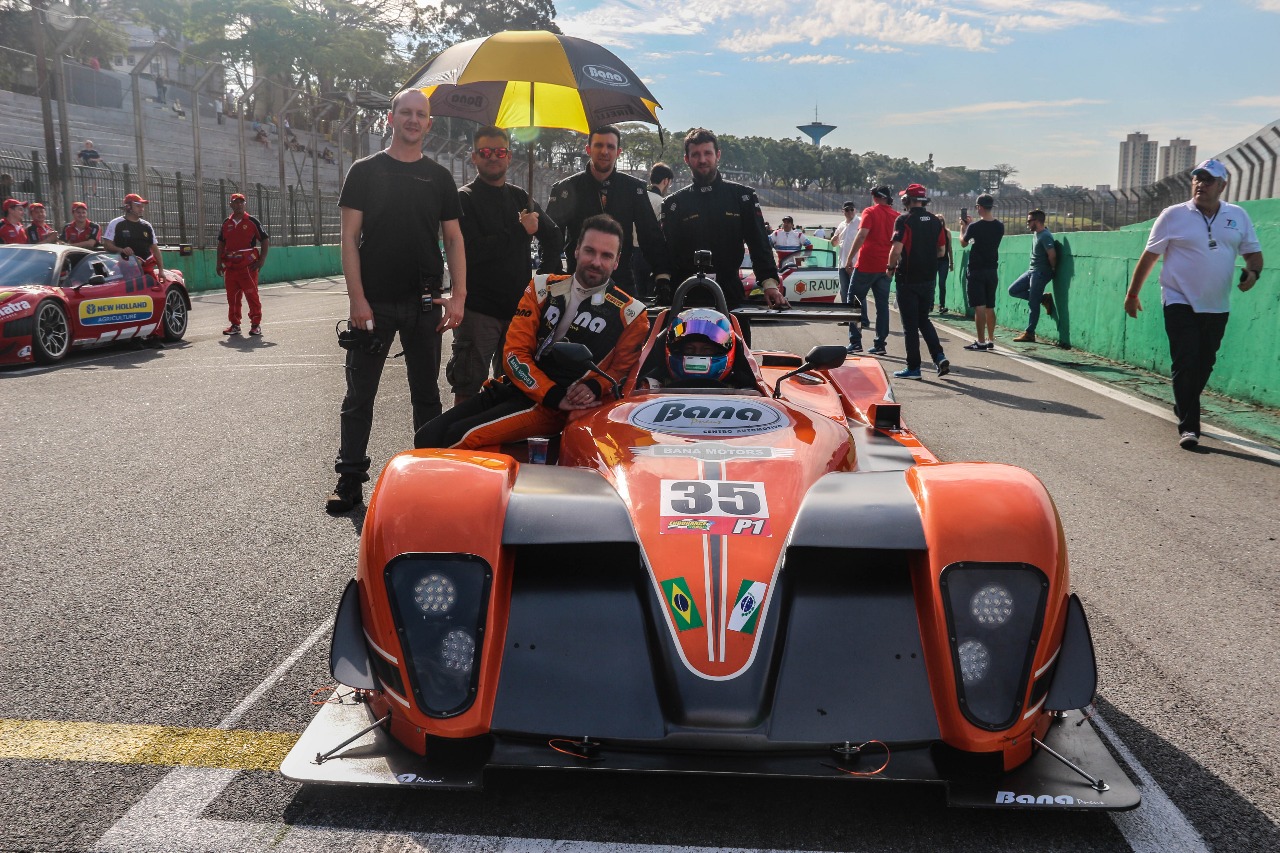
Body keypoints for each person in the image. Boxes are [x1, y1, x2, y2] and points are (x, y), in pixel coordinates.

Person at [326, 88, 467, 514]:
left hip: (426, 301)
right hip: (374, 303)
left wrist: (458, 295)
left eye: (420, 114)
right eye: (405, 112)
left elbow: (454, 238)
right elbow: (349, 238)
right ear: (391, 118)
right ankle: (350, 478)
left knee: (426, 395)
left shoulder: (440, 177)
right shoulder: (365, 171)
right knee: (359, 395)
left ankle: (427, 477)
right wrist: (357, 299)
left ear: (429, 123)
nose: (412, 119)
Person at [414, 215, 648, 450]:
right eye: (590, 251)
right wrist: (551, 393)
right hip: (523, 389)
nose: (596, 261)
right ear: (576, 251)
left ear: (617, 261)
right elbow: (514, 353)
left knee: (457, 438)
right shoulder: (542, 287)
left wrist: (593, 387)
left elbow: (619, 372)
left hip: (555, 410)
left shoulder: (631, 314)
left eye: (606, 255)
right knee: (426, 437)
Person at [1124, 159, 1263, 449]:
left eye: (1208, 179)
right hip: (1178, 299)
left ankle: (1184, 403)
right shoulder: (1173, 215)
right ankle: (1190, 427)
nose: (1201, 183)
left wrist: (1253, 273)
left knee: (1204, 363)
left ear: (1222, 185)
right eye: (1197, 178)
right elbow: (1150, 257)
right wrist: (1133, 294)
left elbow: (1253, 253)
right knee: (1185, 360)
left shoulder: (1237, 216)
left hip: (1217, 304)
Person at [446, 126, 561, 405]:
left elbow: (554, 236)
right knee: (467, 386)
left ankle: (505, 447)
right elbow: (471, 251)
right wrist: (521, 231)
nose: (493, 157)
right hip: (478, 312)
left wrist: (543, 280)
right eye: (485, 152)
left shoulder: (521, 197)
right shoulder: (464, 198)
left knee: (513, 389)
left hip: (518, 312)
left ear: (509, 156)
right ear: (474, 157)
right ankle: (462, 446)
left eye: (499, 151)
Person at [661, 128, 785, 344]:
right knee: (678, 358)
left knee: (739, 361)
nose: (702, 159)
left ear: (718, 155)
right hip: (684, 294)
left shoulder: (743, 197)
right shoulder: (673, 204)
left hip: (730, 292)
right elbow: (666, 255)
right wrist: (662, 286)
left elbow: (759, 244)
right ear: (686, 159)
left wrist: (769, 284)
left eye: (707, 153)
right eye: (696, 154)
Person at [544, 125, 670, 296]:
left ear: (619, 152)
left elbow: (650, 235)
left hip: (621, 283)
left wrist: (662, 277)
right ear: (588, 149)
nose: (604, 151)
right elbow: (551, 238)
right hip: (577, 283)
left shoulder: (634, 188)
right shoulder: (565, 189)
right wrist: (553, 275)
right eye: (599, 145)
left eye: (610, 146)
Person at [885, 184, 949, 380]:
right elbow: (941, 251)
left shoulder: (904, 220)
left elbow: (896, 250)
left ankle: (914, 367)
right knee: (924, 319)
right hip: (929, 279)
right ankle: (939, 356)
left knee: (910, 326)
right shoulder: (935, 221)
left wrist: (889, 268)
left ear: (907, 200)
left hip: (908, 278)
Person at [635, 307, 756, 390]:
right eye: (689, 349)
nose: (697, 354)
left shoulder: (746, 389)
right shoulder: (650, 386)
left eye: (707, 350)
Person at [843, 186, 898, 355]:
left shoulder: (870, 212)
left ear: (875, 197)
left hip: (866, 265)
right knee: (882, 306)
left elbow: (861, 235)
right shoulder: (896, 216)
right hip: (886, 266)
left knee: (854, 303)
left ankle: (855, 341)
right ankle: (880, 344)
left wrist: (849, 258)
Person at [216, 193, 270, 336]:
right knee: (232, 297)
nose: (239, 205)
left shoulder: (252, 221)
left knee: (252, 295)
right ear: (231, 205)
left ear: (244, 204)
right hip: (231, 267)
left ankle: (256, 325)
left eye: (241, 202)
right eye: (236, 202)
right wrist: (218, 263)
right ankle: (235, 325)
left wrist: (262, 260)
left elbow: (264, 239)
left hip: (247, 267)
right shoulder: (226, 223)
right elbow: (221, 243)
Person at [960, 194, 1004, 351]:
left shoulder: (974, 227)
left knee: (979, 305)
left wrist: (963, 228)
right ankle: (991, 339)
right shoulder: (1000, 226)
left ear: (979, 207)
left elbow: (964, 243)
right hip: (992, 269)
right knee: (990, 306)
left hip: (977, 269)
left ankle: (980, 341)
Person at [1008, 209, 1057, 343]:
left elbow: (1052, 254)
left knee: (1033, 303)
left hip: (1040, 272)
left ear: (1037, 221)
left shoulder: (1045, 236)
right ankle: (1043, 298)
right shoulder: (1036, 233)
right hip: (1032, 271)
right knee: (1013, 290)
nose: (1027, 223)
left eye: (1029, 221)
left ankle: (1030, 333)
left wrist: (1052, 269)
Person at [632, 162, 674, 299]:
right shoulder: (662, 202)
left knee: (636, 296)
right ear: (666, 181)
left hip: (632, 254)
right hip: (652, 255)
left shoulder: (639, 198)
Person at [103, 193, 164, 280]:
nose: (141, 209)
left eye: (142, 206)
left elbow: (155, 249)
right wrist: (122, 250)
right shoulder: (116, 223)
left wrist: (161, 270)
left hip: (146, 267)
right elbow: (107, 245)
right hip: (124, 267)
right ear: (128, 207)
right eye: (138, 206)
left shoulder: (147, 225)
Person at [830, 200, 865, 340]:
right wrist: (834, 239)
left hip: (856, 263)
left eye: (851, 209)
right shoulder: (842, 224)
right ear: (843, 211)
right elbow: (834, 243)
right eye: (847, 210)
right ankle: (847, 317)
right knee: (844, 292)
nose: (849, 212)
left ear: (855, 210)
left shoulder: (860, 222)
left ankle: (864, 318)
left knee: (857, 293)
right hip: (843, 263)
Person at [935, 213, 953, 313]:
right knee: (932, 283)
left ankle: (942, 305)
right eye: (938, 220)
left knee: (942, 283)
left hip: (944, 261)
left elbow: (949, 248)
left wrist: (951, 262)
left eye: (942, 220)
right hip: (934, 261)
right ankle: (930, 304)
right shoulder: (932, 232)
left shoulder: (947, 232)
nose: (940, 222)